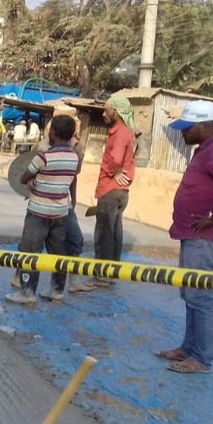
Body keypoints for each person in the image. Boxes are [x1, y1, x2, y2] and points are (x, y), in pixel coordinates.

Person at [155, 101, 213, 374]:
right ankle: (189, 348)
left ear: (205, 127)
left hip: (205, 239)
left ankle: (201, 358)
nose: (183, 133)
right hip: (193, 235)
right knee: (191, 294)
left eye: (187, 128)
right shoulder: (206, 149)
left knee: (200, 296)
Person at [6, 115, 79, 305]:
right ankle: (56, 291)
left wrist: (33, 181)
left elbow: (23, 177)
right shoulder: (74, 157)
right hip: (61, 213)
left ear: (52, 132)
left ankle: (27, 292)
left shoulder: (44, 156)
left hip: (38, 212)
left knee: (30, 252)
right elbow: (70, 181)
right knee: (58, 254)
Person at [86, 94, 136, 288]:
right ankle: (112, 273)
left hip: (111, 189)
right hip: (120, 191)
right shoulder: (126, 132)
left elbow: (115, 159)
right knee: (115, 232)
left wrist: (114, 172)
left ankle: (102, 276)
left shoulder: (121, 132)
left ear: (116, 111)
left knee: (104, 232)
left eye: (107, 110)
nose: (104, 113)